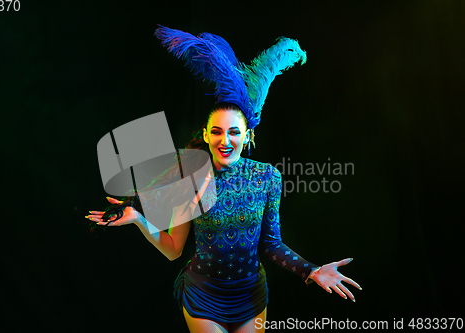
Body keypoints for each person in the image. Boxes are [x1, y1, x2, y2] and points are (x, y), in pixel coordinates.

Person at [86, 27, 361, 333]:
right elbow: (173, 249)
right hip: (203, 297)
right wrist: (139, 218)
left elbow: (270, 244)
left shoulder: (267, 177)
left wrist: (310, 271)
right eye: (216, 131)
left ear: (248, 135)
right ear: (205, 134)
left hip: (251, 296)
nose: (225, 140)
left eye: (233, 132)